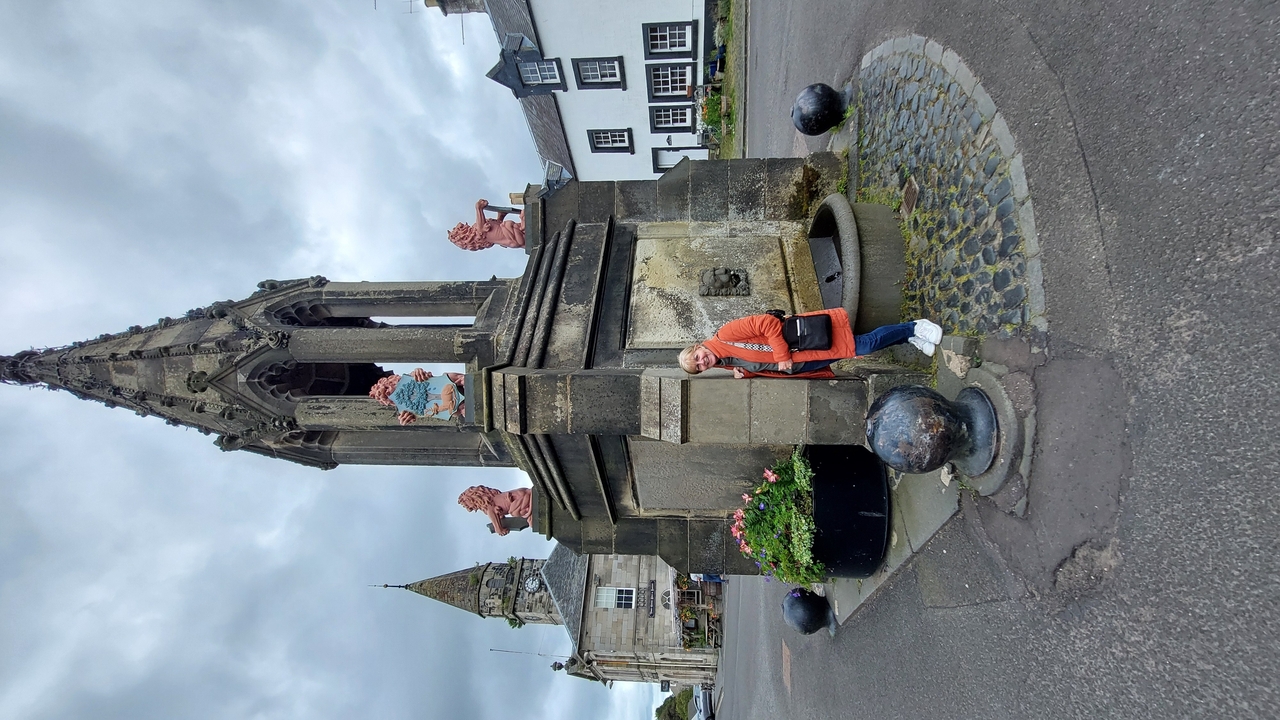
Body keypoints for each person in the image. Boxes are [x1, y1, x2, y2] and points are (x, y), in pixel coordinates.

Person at [677, 308, 943, 379]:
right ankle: (908, 337)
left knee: (863, 345)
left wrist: (782, 356)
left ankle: (914, 326)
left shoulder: (725, 334)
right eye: (699, 367)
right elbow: (755, 359)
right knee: (856, 350)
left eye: (698, 357)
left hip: (802, 344)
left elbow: (767, 323)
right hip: (803, 361)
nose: (702, 362)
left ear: (699, 346)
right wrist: (743, 372)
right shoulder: (721, 361)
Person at [368, 369, 466, 425]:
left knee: (454, 378)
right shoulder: (405, 409)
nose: (388, 392)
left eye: (386, 388)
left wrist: (418, 372)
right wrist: (409, 417)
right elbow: (422, 412)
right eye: (386, 395)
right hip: (455, 406)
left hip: (452, 385)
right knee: (458, 411)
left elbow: (423, 376)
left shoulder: (410, 378)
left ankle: (469, 382)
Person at [447, 198, 526, 251]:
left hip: (514, 237)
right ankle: (523, 225)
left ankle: (523, 225)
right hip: (516, 238)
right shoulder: (477, 233)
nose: (462, 225)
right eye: (458, 229)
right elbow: (481, 230)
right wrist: (478, 208)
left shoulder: (478, 228)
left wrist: (500, 216)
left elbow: (494, 228)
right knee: (507, 225)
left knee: (505, 225)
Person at [457, 485, 533, 536]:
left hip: (521, 497)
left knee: (514, 512)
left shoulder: (488, 505)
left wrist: (499, 529)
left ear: (471, 498)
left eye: (466, 505)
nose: (469, 509)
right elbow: (498, 514)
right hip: (523, 494)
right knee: (517, 513)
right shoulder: (489, 503)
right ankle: (529, 511)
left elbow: (493, 514)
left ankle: (529, 510)